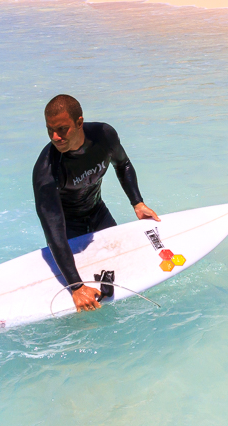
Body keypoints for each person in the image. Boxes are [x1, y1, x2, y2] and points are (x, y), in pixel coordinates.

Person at [33, 94, 159, 312]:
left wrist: (137, 203)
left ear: (79, 123)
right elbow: (54, 232)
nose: (55, 137)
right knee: (85, 309)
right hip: (68, 232)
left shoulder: (103, 136)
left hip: (98, 214)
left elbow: (123, 163)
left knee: (123, 277)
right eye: (49, 129)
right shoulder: (47, 171)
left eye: (62, 129)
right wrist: (76, 286)